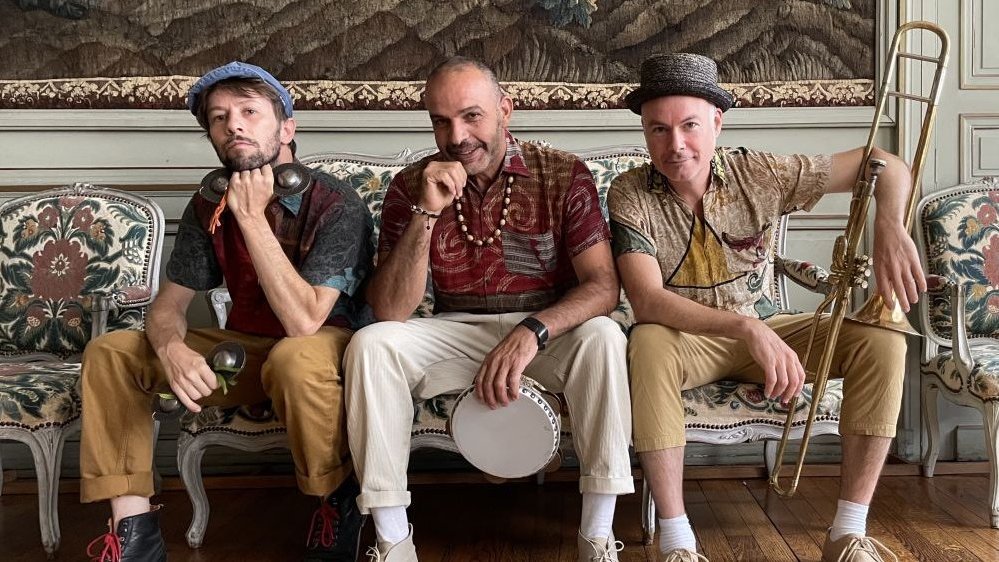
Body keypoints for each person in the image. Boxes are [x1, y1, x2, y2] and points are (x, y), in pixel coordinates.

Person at [608, 52, 925, 562]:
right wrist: (747, 329)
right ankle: (677, 541)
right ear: (645, 132)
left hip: (767, 327)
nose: (675, 144)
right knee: (647, 343)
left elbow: (883, 162)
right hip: (686, 340)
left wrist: (888, 224)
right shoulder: (629, 192)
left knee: (884, 340)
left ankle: (847, 533)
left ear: (716, 122)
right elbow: (647, 301)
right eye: (658, 130)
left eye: (689, 125)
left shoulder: (759, 172)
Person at [78, 61, 374, 562]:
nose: (233, 125)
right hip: (248, 352)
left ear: (287, 129)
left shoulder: (336, 203)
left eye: (248, 112)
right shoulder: (207, 204)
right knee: (112, 352)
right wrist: (171, 349)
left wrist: (251, 217)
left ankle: (337, 504)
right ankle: (134, 534)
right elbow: (169, 304)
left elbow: (304, 321)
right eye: (218, 118)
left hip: (324, 349)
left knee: (294, 357)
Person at [342, 56, 634, 562]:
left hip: (546, 333)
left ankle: (597, 537)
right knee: (371, 343)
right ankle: (391, 541)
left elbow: (603, 287)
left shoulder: (562, 173)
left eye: (471, 116)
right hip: (454, 330)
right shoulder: (410, 186)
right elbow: (390, 309)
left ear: (505, 110)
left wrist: (532, 330)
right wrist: (426, 212)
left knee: (605, 336)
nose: (456, 136)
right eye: (441, 121)